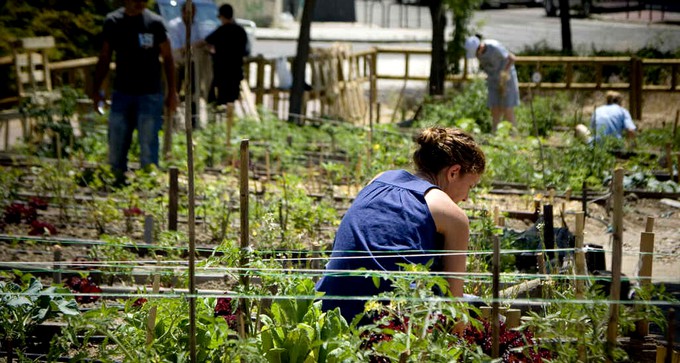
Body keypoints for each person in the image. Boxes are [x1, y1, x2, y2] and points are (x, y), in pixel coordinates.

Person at [315, 127, 486, 324]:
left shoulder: (379, 179)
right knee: (474, 308)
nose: (466, 197)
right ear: (454, 173)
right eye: (470, 187)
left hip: (329, 315)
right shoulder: (451, 213)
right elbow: (455, 308)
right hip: (386, 326)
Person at [93, 0, 178, 186]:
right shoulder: (113, 21)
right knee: (116, 143)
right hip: (122, 91)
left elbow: (168, 57)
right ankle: (116, 181)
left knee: (148, 144)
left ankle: (148, 185)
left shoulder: (154, 22)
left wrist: (172, 91)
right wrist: (96, 89)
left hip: (150, 92)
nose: (140, 3)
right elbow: (105, 56)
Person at [167, 1, 212, 128]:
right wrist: (190, 47)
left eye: (192, 13)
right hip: (178, 63)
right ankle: (172, 122)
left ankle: (193, 122)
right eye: (187, 12)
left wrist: (194, 47)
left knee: (194, 92)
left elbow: (201, 42)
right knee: (174, 90)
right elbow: (176, 48)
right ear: (182, 12)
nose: (190, 15)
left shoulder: (197, 26)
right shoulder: (174, 25)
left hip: (193, 64)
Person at [465, 35, 520, 133]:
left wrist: (503, 74)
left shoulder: (494, 46)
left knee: (507, 108)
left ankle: (513, 135)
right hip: (493, 81)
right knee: (494, 107)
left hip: (507, 80)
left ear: (480, 47)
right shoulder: (479, 54)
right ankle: (495, 133)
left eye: (477, 53)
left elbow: (512, 58)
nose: (477, 56)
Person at [204, 4, 248, 106]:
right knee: (232, 100)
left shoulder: (222, 30)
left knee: (221, 100)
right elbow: (246, 50)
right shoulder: (241, 31)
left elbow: (207, 41)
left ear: (222, 16)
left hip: (222, 71)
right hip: (236, 71)